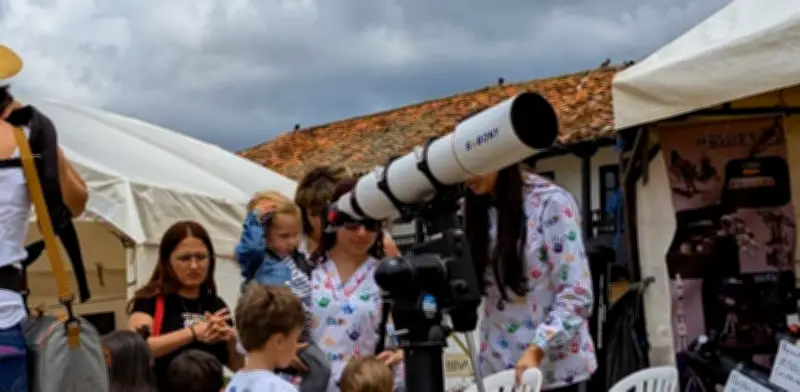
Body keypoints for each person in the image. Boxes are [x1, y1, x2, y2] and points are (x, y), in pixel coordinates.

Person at [0, 45, 88, 392]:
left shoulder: (24, 138)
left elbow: (74, 204)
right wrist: (39, 137)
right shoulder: (22, 138)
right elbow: (76, 204)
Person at [464, 164, 596, 391]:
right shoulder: (473, 206)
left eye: (473, 164)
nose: (467, 176)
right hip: (499, 369)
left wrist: (537, 349)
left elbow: (577, 293)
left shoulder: (549, 202)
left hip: (554, 370)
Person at [309, 179, 404, 392]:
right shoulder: (307, 272)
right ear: (334, 218)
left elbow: (419, 320)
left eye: (371, 224)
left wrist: (402, 354)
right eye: (352, 223)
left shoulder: (387, 275)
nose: (362, 233)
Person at [127, 220, 244, 390]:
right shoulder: (150, 300)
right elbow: (137, 349)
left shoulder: (216, 304)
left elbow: (237, 366)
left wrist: (232, 341)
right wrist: (192, 332)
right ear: (167, 261)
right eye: (185, 258)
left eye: (201, 257)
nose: (194, 266)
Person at [235, 191, 331, 391]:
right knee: (316, 369)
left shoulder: (298, 260)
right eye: (284, 236)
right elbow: (250, 248)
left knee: (320, 369)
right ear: (265, 237)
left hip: (299, 335)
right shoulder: (259, 260)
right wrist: (254, 222)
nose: (292, 241)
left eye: (296, 235)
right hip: (273, 336)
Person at [294, 166, 399, 260]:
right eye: (318, 213)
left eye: (336, 212)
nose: (328, 219)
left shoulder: (374, 240)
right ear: (304, 212)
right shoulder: (293, 243)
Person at [225, 284, 305, 392]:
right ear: (279, 341)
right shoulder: (282, 389)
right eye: (296, 339)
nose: (296, 346)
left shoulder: (232, 386)